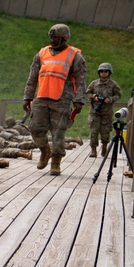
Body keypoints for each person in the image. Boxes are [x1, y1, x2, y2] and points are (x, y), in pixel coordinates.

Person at [22, 23, 87, 175]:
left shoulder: (75, 56)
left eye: (55, 37)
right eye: (50, 37)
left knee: (58, 132)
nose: (51, 40)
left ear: (64, 38)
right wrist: (27, 97)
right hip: (41, 97)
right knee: (35, 128)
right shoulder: (41, 53)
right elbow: (32, 78)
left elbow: (81, 80)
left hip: (62, 99)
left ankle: (55, 162)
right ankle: (45, 150)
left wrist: (79, 100)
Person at [85, 62, 122, 157]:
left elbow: (118, 95)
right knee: (94, 132)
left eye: (106, 71)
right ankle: (93, 150)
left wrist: (110, 99)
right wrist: (93, 97)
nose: (103, 73)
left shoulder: (113, 85)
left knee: (105, 132)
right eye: (101, 71)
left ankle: (104, 148)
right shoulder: (94, 83)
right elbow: (87, 93)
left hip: (107, 112)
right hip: (95, 112)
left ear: (109, 72)